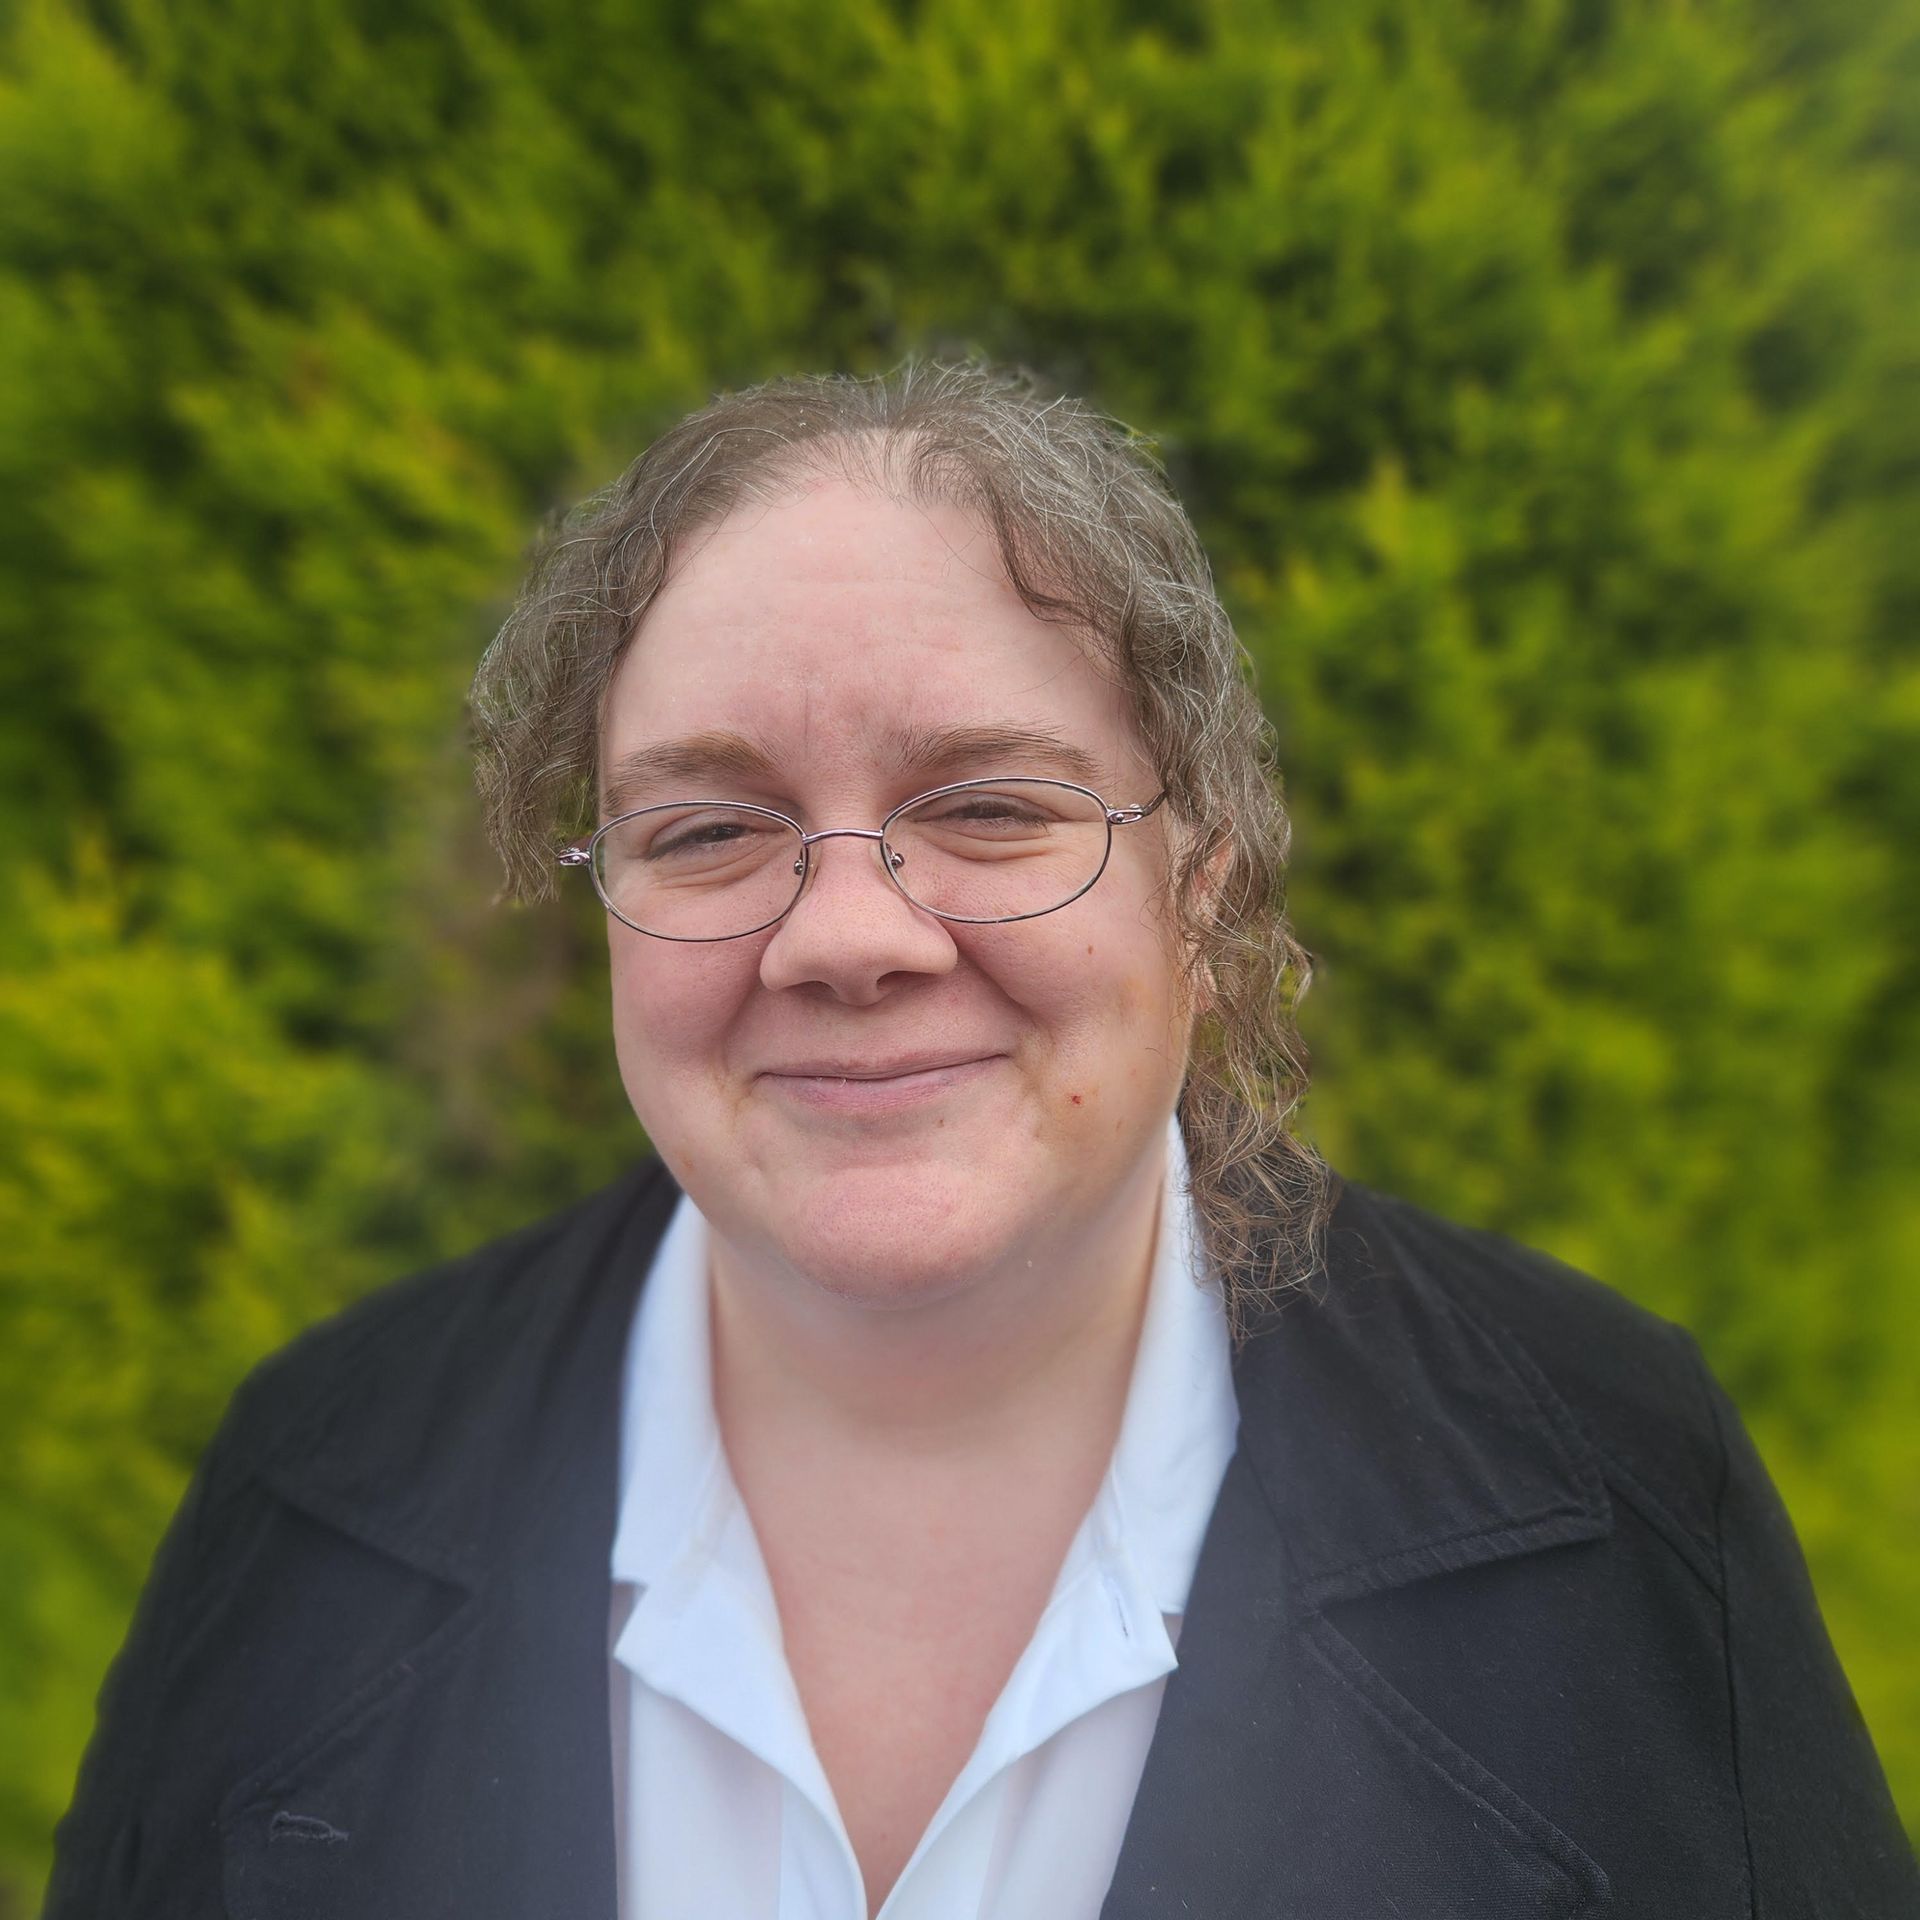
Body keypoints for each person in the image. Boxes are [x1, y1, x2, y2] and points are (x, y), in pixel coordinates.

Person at [47, 362, 1915, 1919]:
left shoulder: (1618, 1485)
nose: (850, 934)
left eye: (994, 807)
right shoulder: (310, 1482)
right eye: (706, 829)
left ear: (1202, 879)